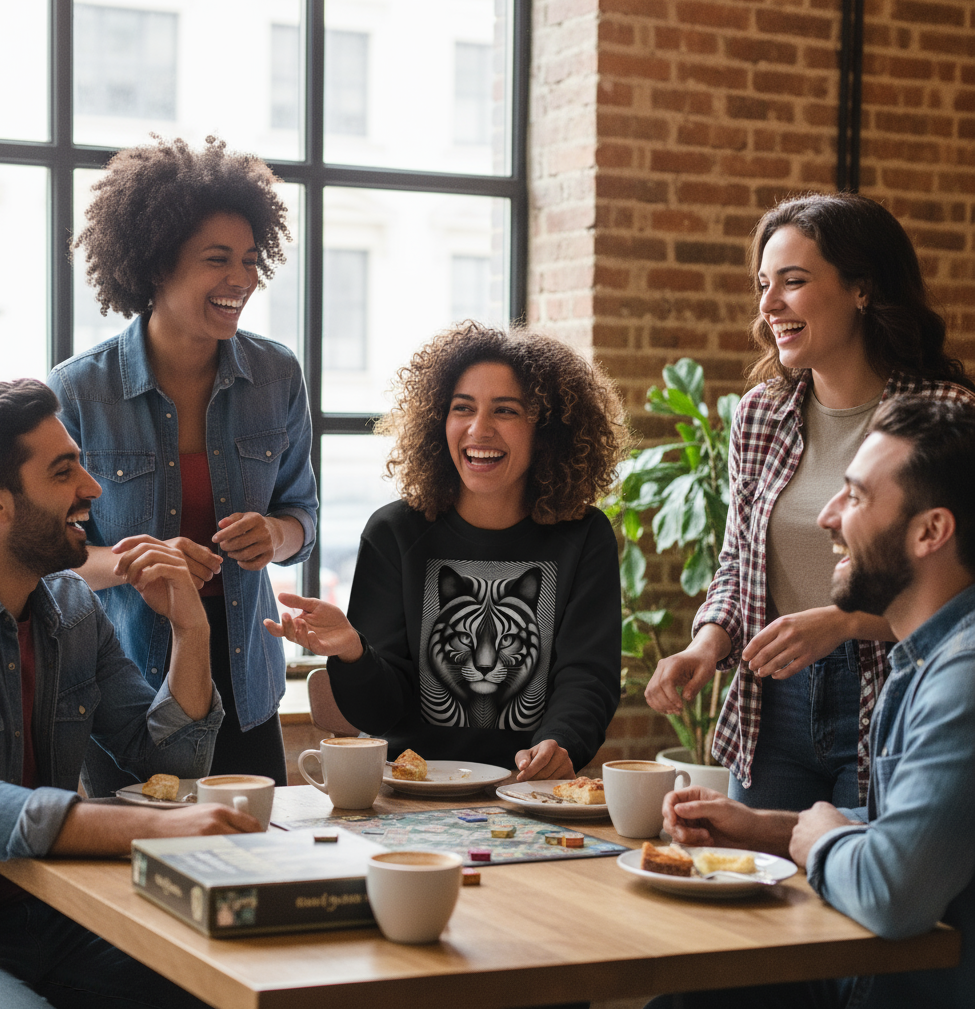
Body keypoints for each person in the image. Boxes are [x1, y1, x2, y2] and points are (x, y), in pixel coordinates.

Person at [645, 192, 975, 811]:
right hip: (771, 700)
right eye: (764, 284)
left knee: (861, 892)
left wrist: (846, 622)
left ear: (862, 289)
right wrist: (706, 644)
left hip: (895, 691)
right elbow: (738, 563)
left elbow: (963, 597)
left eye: (793, 282)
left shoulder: (947, 418)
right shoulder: (761, 413)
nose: (769, 304)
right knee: (753, 886)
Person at [648, 397, 975, 1009]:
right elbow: (906, 831)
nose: (826, 515)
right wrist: (773, 828)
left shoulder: (962, 680)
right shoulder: (924, 658)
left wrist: (818, 837)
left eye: (853, 497)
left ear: (931, 531)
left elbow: (892, 890)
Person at [0, 379, 261, 1008]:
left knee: (236, 990)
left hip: (73, 912)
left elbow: (170, 763)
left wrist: (190, 628)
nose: (92, 488)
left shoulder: (72, 610)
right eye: (64, 471)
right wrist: (154, 832)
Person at [49, 136, 317, 793]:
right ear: (158, 265)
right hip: (128, 689)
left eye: (252, 260)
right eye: (217, 260)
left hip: (247, 683)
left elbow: (301, 512)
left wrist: (273, 536)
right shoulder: (79, 390)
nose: (243, 279)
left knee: (257, 865)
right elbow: (55, 559)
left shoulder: (276, 374)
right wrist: (141, 563)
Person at [266, 323, 629, 779]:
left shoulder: (584, 535)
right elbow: (378, 713)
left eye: (506, 411)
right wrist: (352, 652)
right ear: (440, 420)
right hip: (413, 791)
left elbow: (587, 677)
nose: (479, 429)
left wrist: (562, 742)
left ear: (546, 429)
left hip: (528, 791)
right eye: (463, 408)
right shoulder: (393, 532)